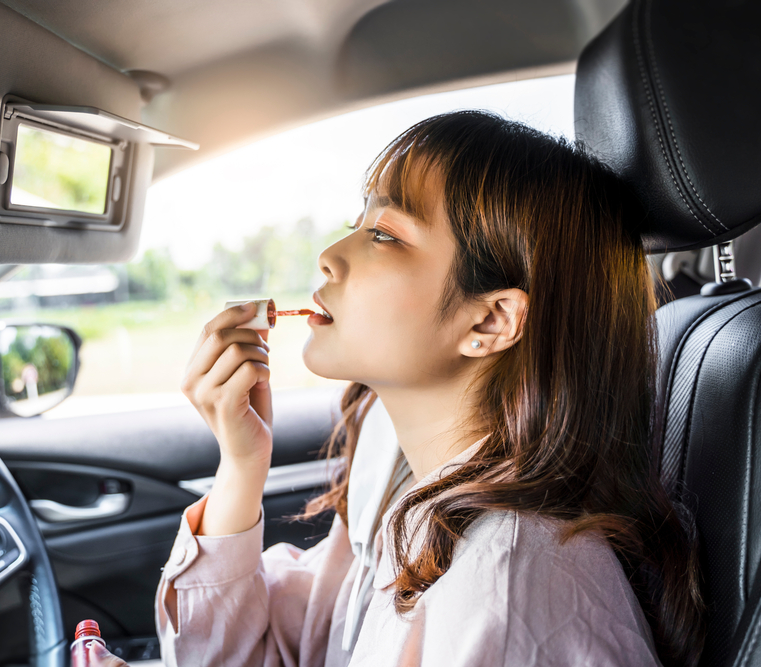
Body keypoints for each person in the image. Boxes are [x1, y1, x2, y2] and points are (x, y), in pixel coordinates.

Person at [147, 111, 705, 667]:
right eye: (357, 223)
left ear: (489, 322)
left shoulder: (506, 594)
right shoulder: (409, 485)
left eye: (385, 235)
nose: (330, 256)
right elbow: (296, 646)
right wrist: (242, 467)